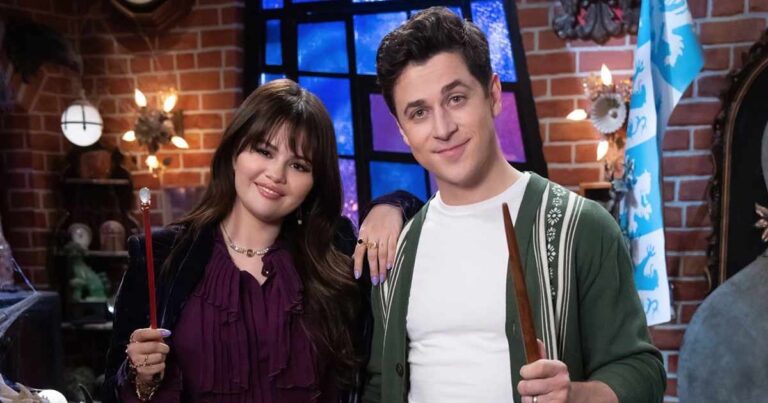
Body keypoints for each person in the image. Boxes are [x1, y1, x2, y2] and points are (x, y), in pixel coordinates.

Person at [363, 7, 666, 403]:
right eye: (419, 112)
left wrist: (574, 395)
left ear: (493, 95)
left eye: (456, 98)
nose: (442, 128)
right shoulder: (396, 249)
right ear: (403, 131)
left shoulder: (581, 228)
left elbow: (641, 371)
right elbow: (379, 385)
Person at [102, 79, 422, 402]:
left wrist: (393, 205)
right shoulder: (160, 256)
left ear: (315, 181)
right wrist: (140, 379)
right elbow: (112, 391)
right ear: (235, 152)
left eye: (298, 165)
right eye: (264, 151)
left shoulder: (335, 251)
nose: (276, 174)